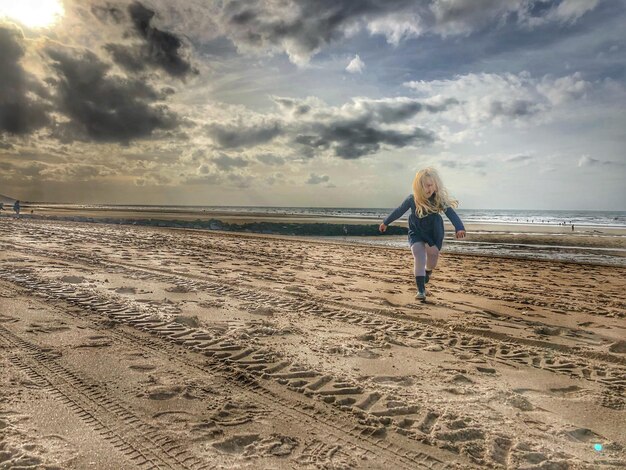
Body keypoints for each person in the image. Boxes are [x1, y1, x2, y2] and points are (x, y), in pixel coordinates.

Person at [379, 167, 466, 301]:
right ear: (418, 186)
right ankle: (421, 291)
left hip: (433, 233)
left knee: (433, 257)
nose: (428, 188)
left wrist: (459, 228)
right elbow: (399, 211)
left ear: (436, 185)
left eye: (431, 185)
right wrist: (386, 222)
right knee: (418, 255)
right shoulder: (412, 199)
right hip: (417, 232)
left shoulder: (438, 200)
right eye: (425, 185)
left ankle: (428, 271)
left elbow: (451, 214)